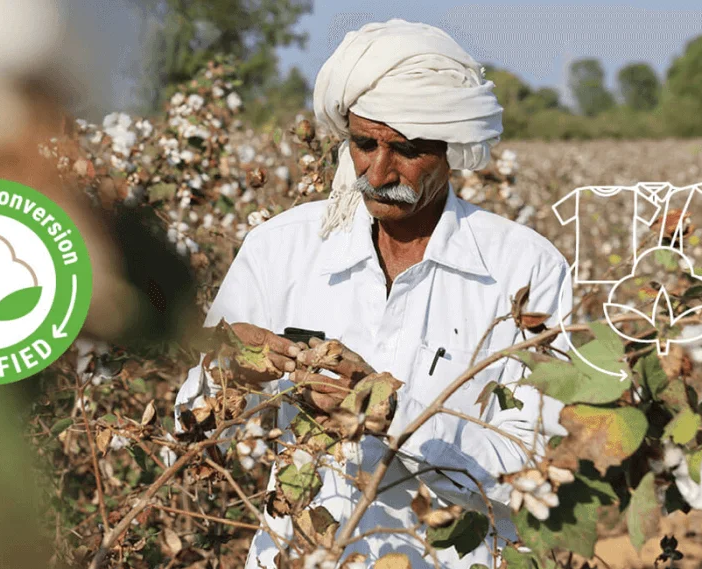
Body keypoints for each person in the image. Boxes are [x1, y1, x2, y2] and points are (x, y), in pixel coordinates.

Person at [175, 18, 570, 569]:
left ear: (450, 148)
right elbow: (188, 435)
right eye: (363, 144)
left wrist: (391, 410)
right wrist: (230, 373)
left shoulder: (522, 268)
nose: (378, 172)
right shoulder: (281, 248)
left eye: (405, 150)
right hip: (300, 556)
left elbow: (534, 467)